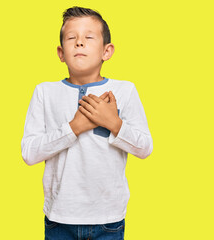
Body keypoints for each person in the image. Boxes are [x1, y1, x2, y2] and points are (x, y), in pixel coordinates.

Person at [21, 6, 153, 240]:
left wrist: (114, 123)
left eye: (89, 37)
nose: (79, 42)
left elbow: (145, 148)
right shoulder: (44, 92)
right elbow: (29, 153)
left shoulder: (125, 90)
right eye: (72, 38)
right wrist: (73, 128)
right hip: (60, 218)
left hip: (108, 219)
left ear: (107, 51)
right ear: (61, 53)